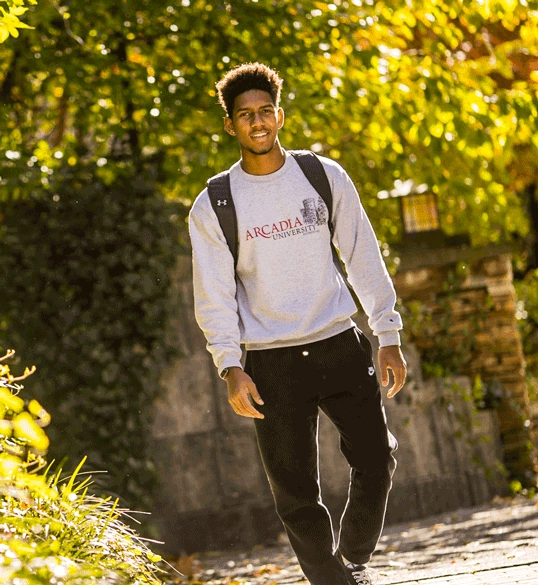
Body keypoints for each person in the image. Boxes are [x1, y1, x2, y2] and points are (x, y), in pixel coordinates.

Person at [188, 62, 407, 585]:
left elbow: (363, 257)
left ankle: (352, 556)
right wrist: (229, 366)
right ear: (230, 126)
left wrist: (388, 334)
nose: (257, 122)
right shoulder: (214, 203)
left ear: (280, 115)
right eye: (245, 115)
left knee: (376, 457)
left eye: (265, 111)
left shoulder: (322, 176)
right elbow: (213, 296)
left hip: (339, 345)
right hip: (270, 364)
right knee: (295, 494)